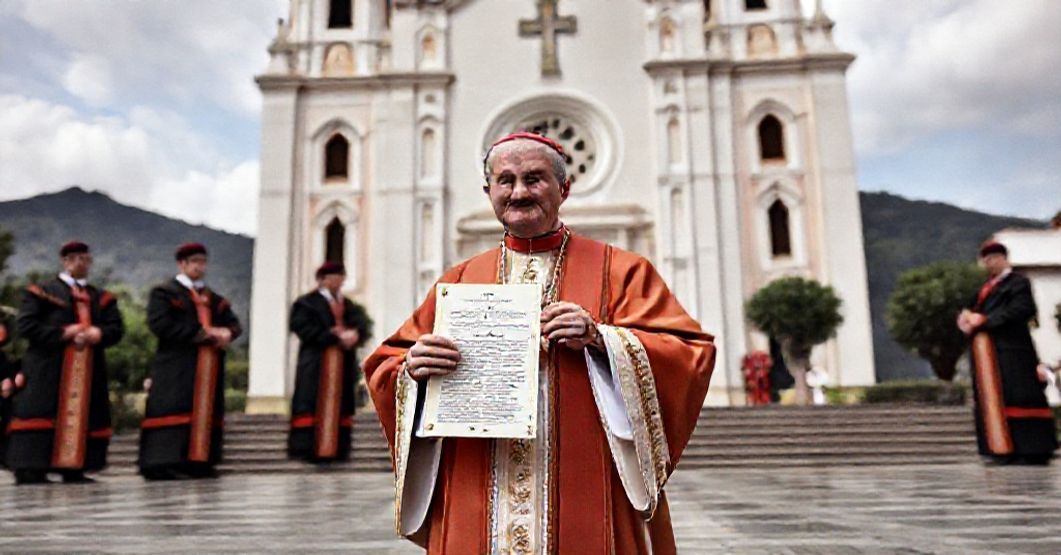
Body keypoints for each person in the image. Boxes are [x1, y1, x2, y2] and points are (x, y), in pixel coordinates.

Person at [363, 132, 716, 553]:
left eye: (534, 179)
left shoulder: (621, 271)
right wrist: (413, 369)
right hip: (477, 481)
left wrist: (602, 339)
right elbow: (387, 363)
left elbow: (689, 352)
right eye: (505, 181)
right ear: (488, 191)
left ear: (563, 188)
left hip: (586, 480)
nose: (518, 192)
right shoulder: (457, 281)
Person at [4, 241, 124, 484]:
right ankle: (31, 468)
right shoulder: (41, 292)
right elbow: (27, 326)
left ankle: (75, 467)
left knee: (88, 412)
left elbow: (116, 328)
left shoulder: (101, 298)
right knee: (42, 412)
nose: (81, 262)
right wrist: (65, 332)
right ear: (65, 261)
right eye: (75, 258)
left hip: (88, 367)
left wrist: (97, 334)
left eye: (85, 258)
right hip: (47, 367)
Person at [138, 243, 242, 480]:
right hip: (176, 364)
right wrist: (203, 334)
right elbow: (160, 325)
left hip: (209, 365)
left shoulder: (214, 299)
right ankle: (165, 462)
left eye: (203, 262)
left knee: (206, 409)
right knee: (175, 407)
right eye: (194, 262)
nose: (199, 267)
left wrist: (228, 333)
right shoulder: (164, 293)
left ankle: (202, 460)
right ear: (182, 264)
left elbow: (234, 323)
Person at [958, 240, 1057, 465]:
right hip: (989, 355)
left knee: (1019, 395)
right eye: (986, 259)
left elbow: (1022, 310)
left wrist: (986, 320)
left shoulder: (1018, 283)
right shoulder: (983, 290)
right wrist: (967, 320)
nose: (989, 263)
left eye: (993, 258)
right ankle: (999, 447)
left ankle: (1031, 449)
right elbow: (972, 313)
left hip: (1014, 351)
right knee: (994, 399)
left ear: (1004, 258)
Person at [288, 261, 372, 463]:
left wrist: (356, 334)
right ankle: (308, 450)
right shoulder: (306, 303)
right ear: (322, 280)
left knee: (342, 402)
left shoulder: (349, 305)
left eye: (340, 277)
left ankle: (338, 450)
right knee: (311, 401)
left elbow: (363, 326)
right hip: (316, 363)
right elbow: (301, 327)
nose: (337, 281)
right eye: (333, 277)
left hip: (342, 362)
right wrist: (332, 336)